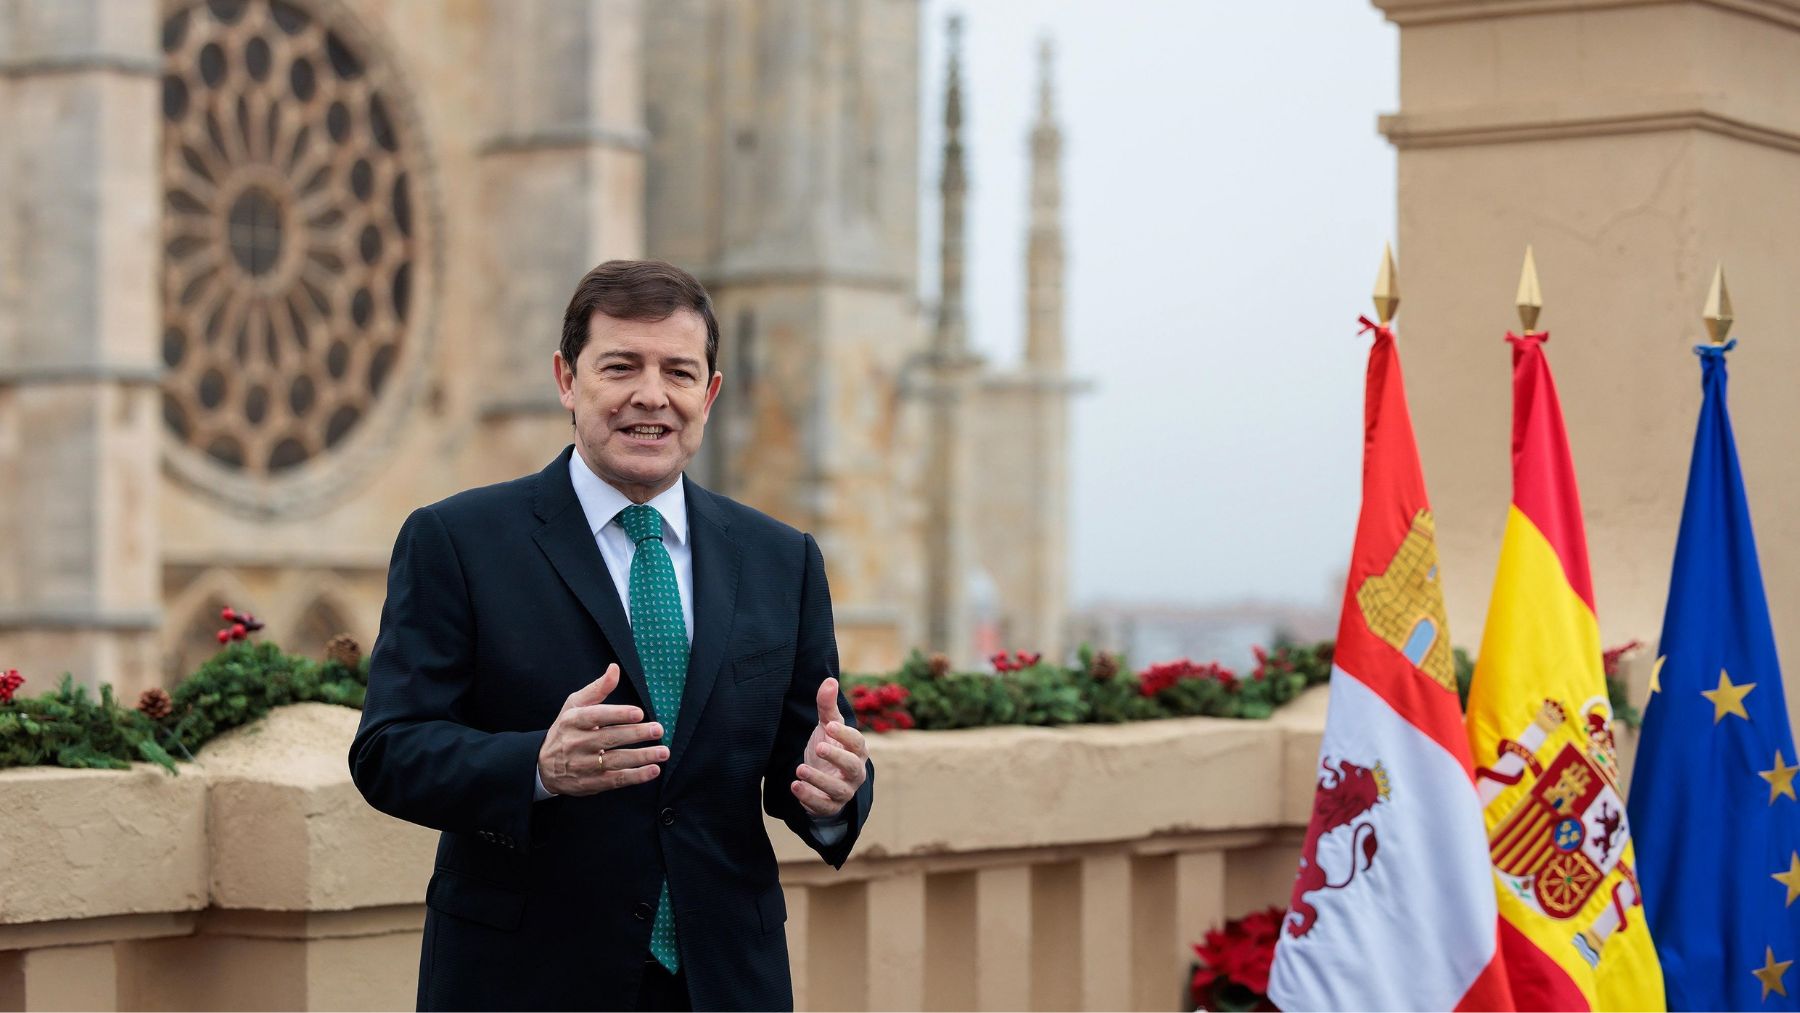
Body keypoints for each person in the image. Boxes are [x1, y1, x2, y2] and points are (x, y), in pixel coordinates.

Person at [349, 259, 874, 1012]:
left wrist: (834, 791)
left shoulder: (781, 560)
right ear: (567, 380)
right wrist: (537, 763)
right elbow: (387, 751)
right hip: (525, 981)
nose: (650, 396)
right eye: (620, 366)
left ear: (710, 394)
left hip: (725, 982)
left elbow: (809, 755)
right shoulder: (457, 540)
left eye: (679, 372)